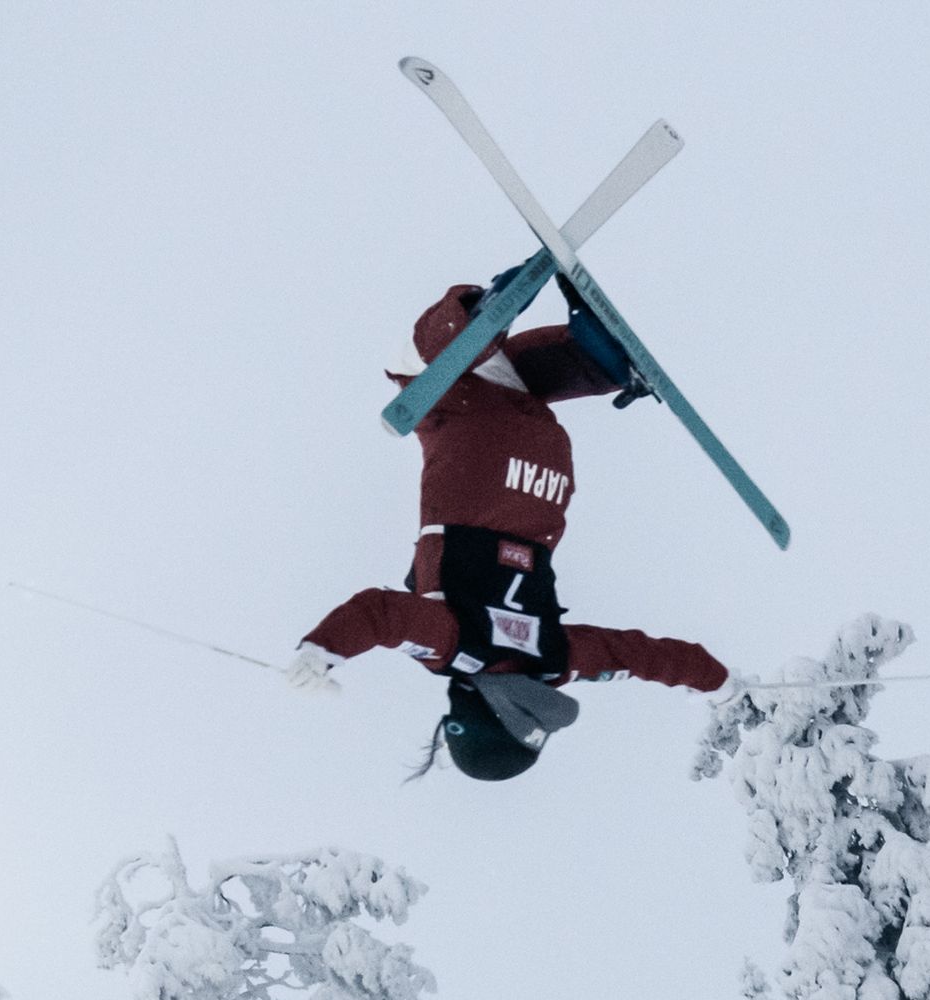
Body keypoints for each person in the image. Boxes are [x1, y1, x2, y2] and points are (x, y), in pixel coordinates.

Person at [288, 278, 729, 781]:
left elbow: (636, 656)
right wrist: (323, 649)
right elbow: (383, 615)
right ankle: (473, 320)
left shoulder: (553, 657)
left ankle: (596, 360)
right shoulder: (457, 646)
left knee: (500, 381)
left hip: (545, 470)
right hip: (482, 455)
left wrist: (714, 679)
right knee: (410, 370)